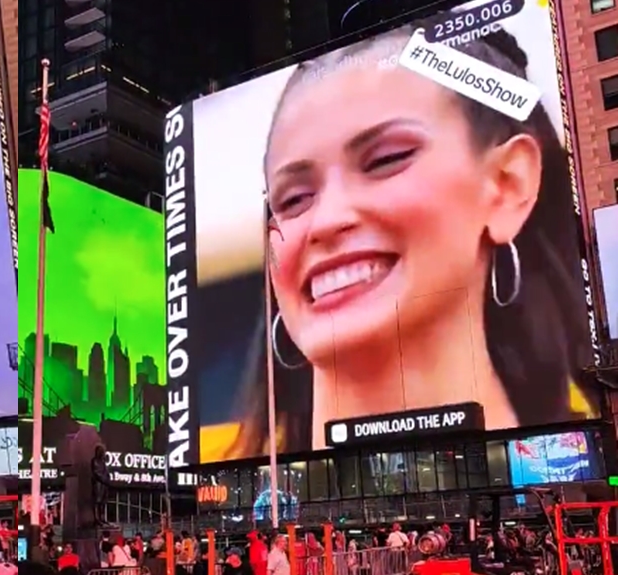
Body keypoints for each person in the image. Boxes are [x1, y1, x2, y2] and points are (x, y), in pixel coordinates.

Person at [234, 14, 595, 455]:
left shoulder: (570, 460)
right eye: (292, 200)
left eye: (387, 159)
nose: (327, 221)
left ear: (507, 184)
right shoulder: (253, 488)